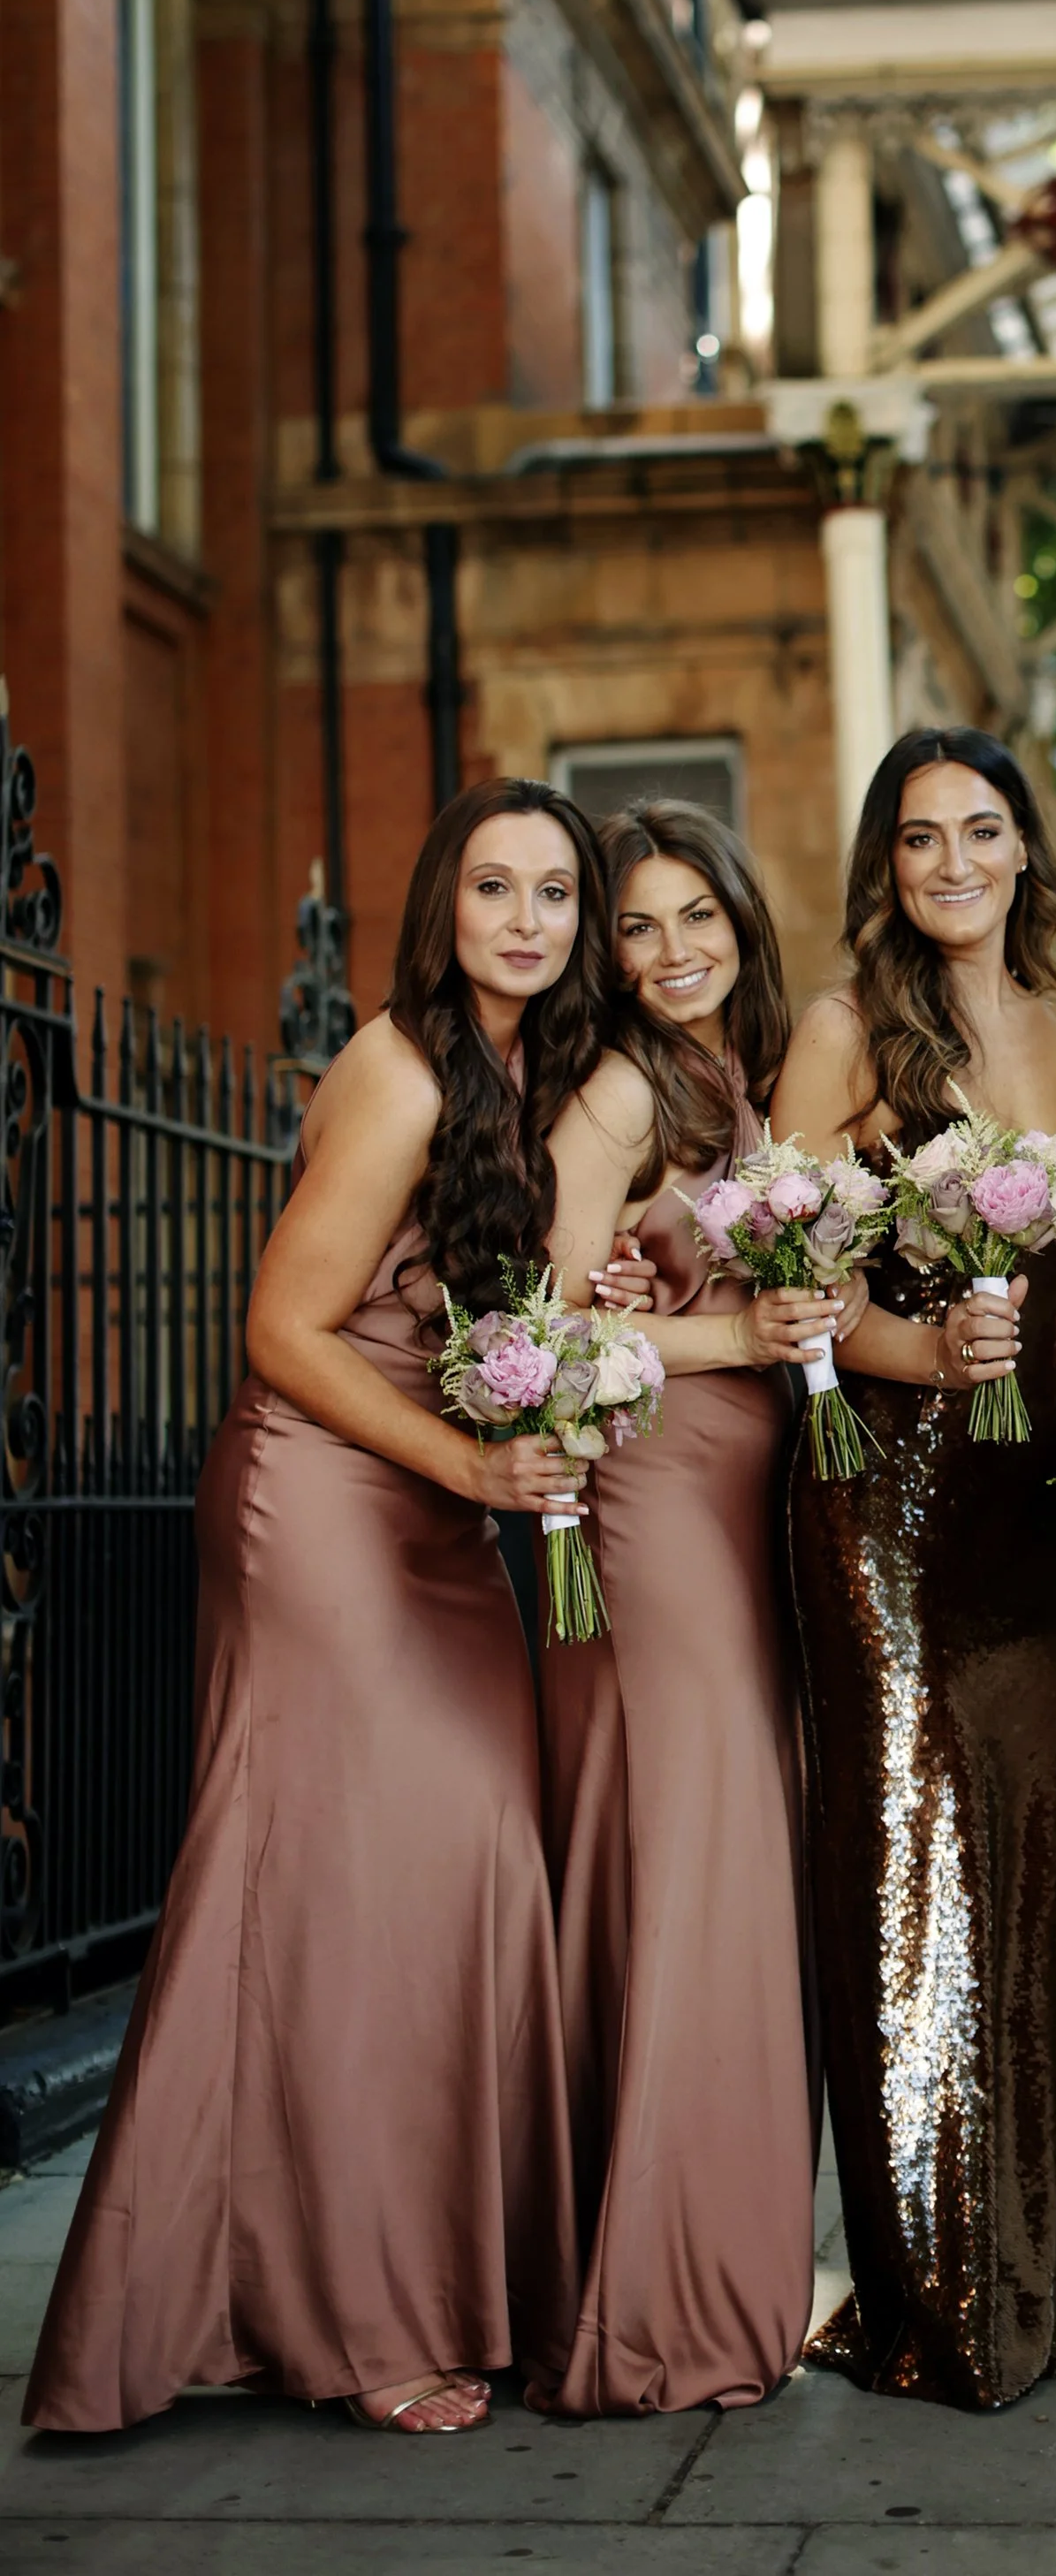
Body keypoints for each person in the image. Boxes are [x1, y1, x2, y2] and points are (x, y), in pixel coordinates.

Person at [26, 781, 598, 2436]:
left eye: (555, 893)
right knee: (346, 1894)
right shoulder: (403, 1067)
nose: (526, 920)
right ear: (443, 907)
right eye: (493, 887)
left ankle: (424, 2272)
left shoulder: (528, 1076)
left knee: (470, 1860)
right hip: (323, 1496)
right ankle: (360, 2319)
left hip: (434, 1504)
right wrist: (469, 1464)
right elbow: (281, 1328)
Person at [771, 726, 1056, 2411]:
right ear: (887, 866)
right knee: (907, 1873)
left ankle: (1025, 2275)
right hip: (884, 1505)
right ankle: (931, 2296)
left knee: (1028, 1868)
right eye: (920, 839)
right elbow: (783, 1263)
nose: (954, 863)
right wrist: (915, 1349)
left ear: (1024, 849)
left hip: (1028, 1503)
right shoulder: (847, 1030)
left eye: (982, 830)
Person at [534, 799, 836, 2414]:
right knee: (696, 1864)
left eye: (696, 917)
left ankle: (723, 2260)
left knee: (737, 1861)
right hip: (654, 1499)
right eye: (636, 927)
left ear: (740, 917)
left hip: (748, 1498)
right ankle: (659, 2301)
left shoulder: (747, 1080)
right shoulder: (618, 1089)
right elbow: (552, 1330)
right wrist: (735, 1339)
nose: (671, 952)